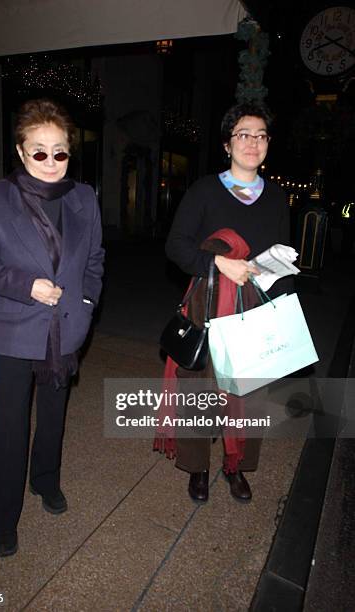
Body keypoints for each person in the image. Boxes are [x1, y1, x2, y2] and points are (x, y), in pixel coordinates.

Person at [0, 98, 104, 557]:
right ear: (22, 153)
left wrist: (84, 302)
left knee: (52, 417)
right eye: (39, 151)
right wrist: (28, 286)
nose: (50, 161)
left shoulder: (84, 198)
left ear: (70, 153)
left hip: (65, 330)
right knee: (9, 427)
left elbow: (95, 262)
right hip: (13, 331)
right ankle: (2, 518)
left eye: (59, 151)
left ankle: (46, 481)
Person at [159, 102, 290, 504]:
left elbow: (283, 256)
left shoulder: (277, 198)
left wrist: (280, 313)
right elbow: (175, 247)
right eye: (244, 134)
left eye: (261, 135)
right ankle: (197, 468)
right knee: (202, 390)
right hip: (210, 303)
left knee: (248, 395)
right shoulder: (204, 190)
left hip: (255, 307)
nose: (253, 142)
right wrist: (218, 261)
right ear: (227, 145)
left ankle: (235, 466)